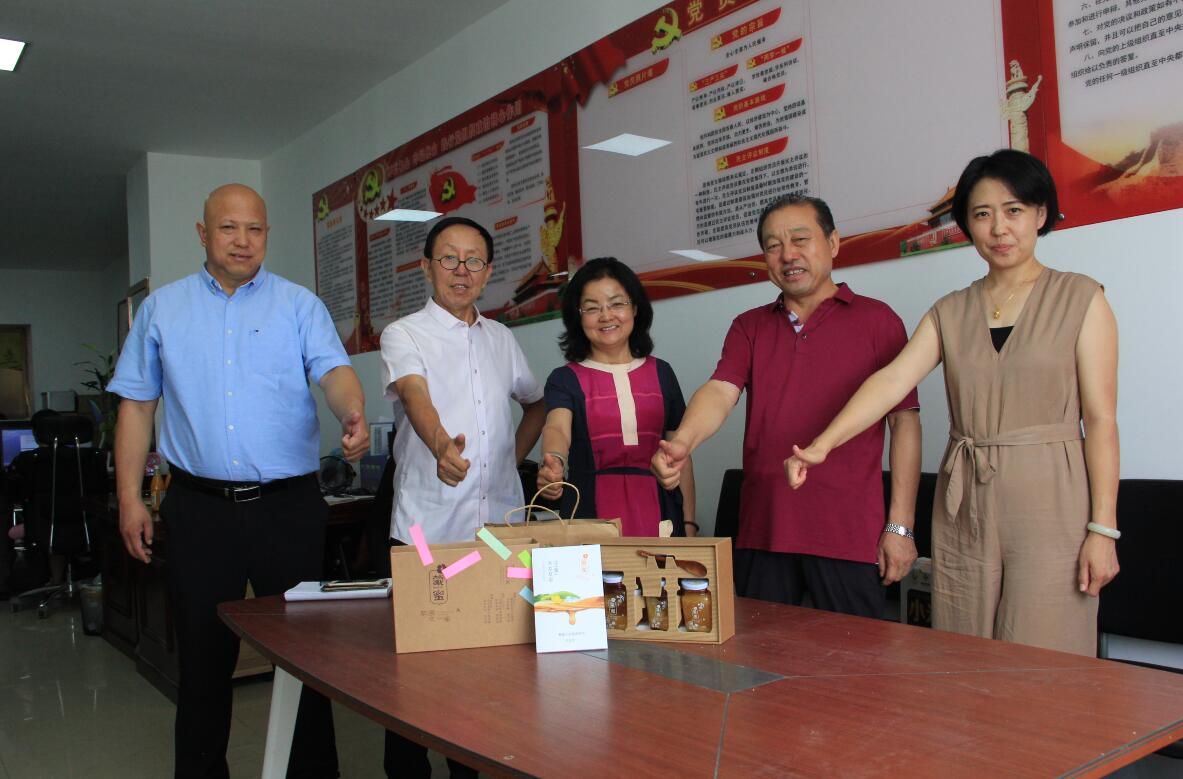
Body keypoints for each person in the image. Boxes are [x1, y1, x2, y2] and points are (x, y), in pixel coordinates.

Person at [786, 149, 1120, 656]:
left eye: (1013, 210)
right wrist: (823, 444)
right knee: (962, 648)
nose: (998, 228)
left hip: (1053, 497)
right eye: (982, 214)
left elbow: (1100, 420)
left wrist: (1103, 530)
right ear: (966, 225)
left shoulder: (1081, 298)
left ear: (1040, 214)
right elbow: (893, 379)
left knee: (1046, 653)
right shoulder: (951, 310)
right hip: (964, 501)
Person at [109, 183, 369, 779]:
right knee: (203, 661)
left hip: (288, 507)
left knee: (305, 660)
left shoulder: (299, 305)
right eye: (229, 228)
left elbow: (334, 373)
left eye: (255, 228)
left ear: (267, 234)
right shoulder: (162, 310)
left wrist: (351, 411)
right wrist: (129, 499)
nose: (243, 240)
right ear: (203, 234)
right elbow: (137, 408)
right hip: (201, 509)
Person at [652, 194, 921, 618]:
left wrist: (900, 527)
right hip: (765, 529)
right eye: (773, 246)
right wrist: (683, 441)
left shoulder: (878, 321)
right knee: (762, 653)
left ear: (833, 242)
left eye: (800, 239)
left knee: (854, 656)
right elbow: (721, 390)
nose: (788, 255)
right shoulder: (749, 326)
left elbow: (904, 424)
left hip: (849, 534)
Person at [379, 215, 545, 778]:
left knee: (490, 662)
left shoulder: (502, 339)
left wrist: (509, 457)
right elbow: (415, 395)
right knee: (417, 667)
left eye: (474, 260)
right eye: (448, 258)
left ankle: (470, 768)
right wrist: (439, 446)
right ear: (427, 267)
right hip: (428, 532)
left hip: (495, 533)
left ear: (488, 271)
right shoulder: (404, 333)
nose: (461, 270)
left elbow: (535, 402)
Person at [536, 257, 695, 536]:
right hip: (588, 514)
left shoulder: (662, 373)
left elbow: (681, 453)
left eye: (616, 304)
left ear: (635, 308)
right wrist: (554, 461)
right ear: (578, 317)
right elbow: (557, 427)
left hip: (661, 512)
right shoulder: (565, 379)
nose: (606, 316)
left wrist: (690, 523)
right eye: (592, 307)